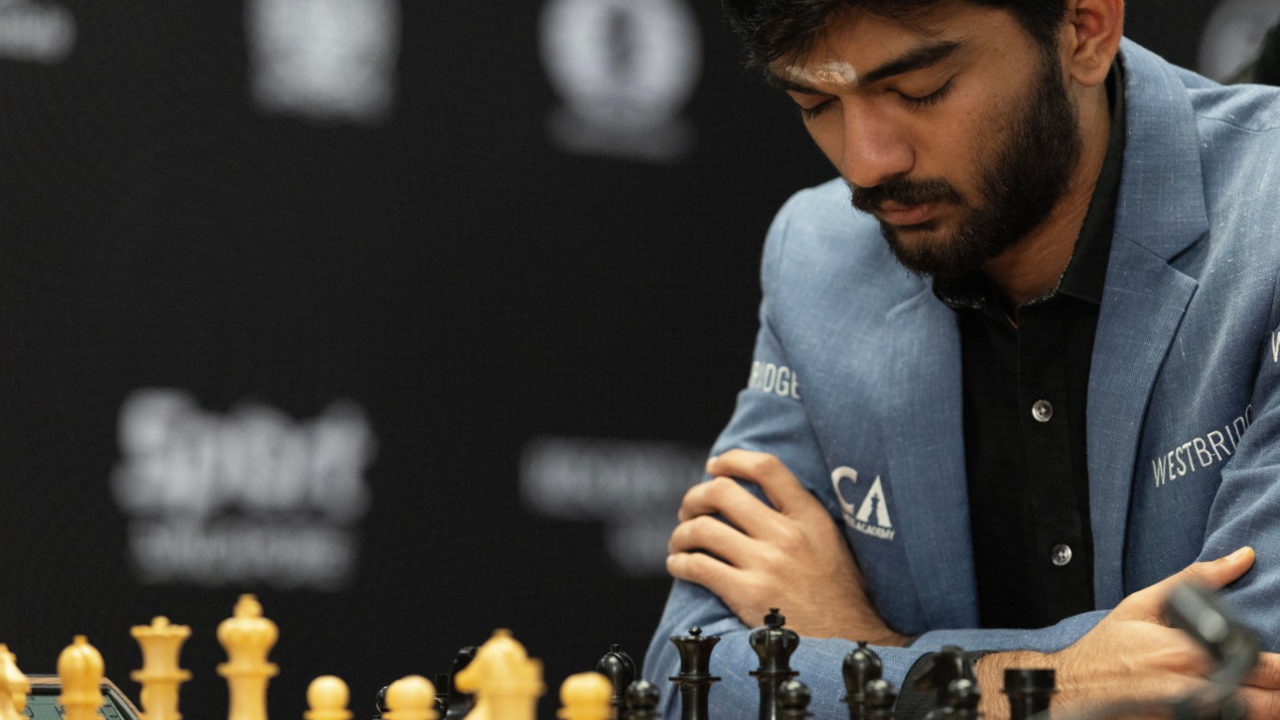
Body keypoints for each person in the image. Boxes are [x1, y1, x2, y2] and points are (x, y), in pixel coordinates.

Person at [643, 0, 1280, 719]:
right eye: (814, 102)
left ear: (1085, 29)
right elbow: (685, 675)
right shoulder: (815, 257)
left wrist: (865, 646)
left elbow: (1250, 673)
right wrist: (1048, 686)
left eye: (920, 91)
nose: (867, 164)